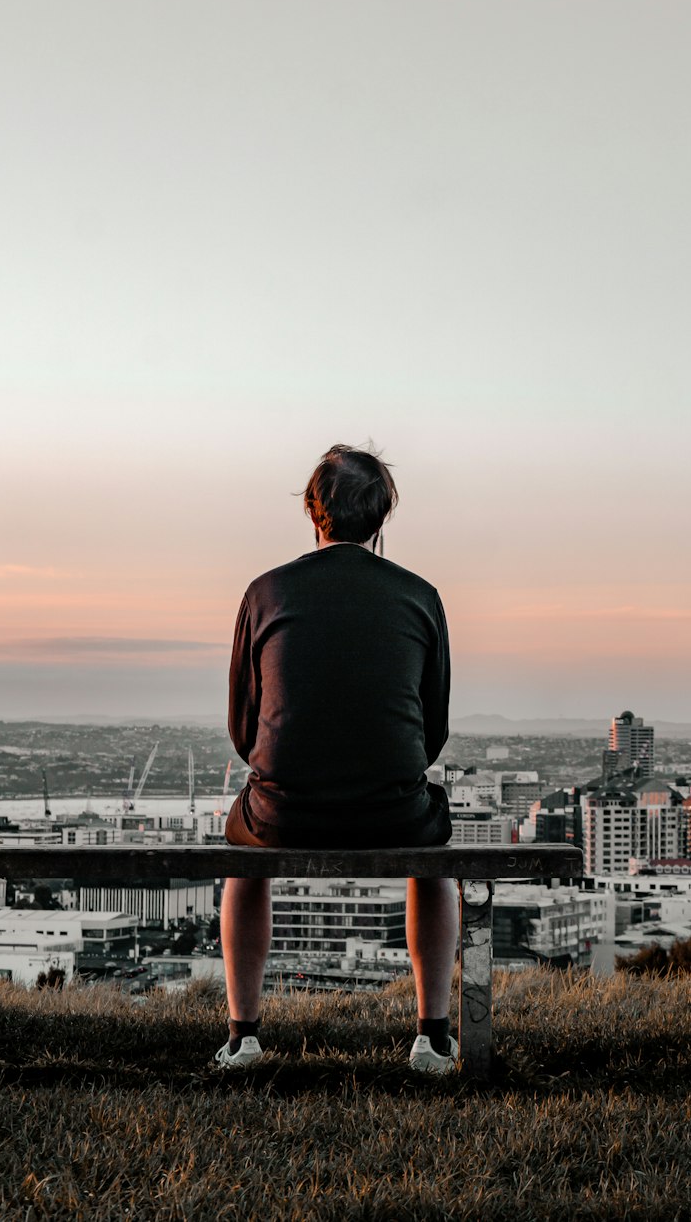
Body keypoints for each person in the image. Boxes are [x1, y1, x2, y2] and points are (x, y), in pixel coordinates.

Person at [214, 443, 459, 1073]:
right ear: (381, 519)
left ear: (312, 510)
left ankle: (243, 1037)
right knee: (432, 858)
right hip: (396, 814)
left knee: (242, 850)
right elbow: (432, 733)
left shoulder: (266, 592)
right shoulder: (420, 597)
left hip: (280, 812)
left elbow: (244, 728)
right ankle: (432, 1035)